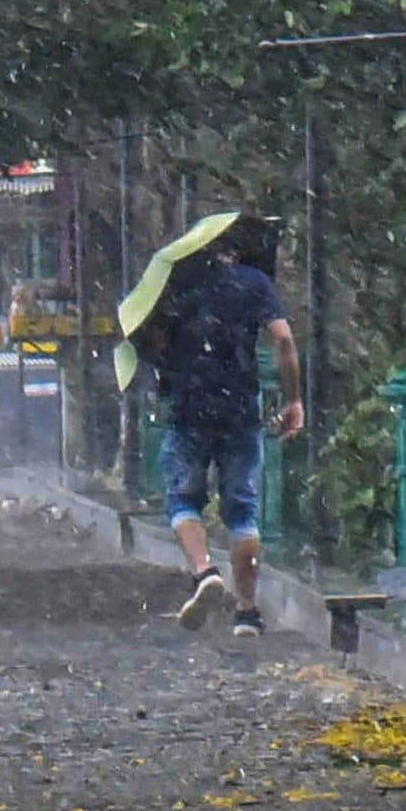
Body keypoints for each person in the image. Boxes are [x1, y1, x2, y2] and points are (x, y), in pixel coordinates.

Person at [129, 232, 303, 636]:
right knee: (243, 510)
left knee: (183, 500)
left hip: (190, 406)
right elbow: (283, 337)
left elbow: (146, 337)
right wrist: (294, 398)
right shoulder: (254, 283)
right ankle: (246, 612)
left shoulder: (173, 285)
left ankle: (205, 570)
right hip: (240, 407)